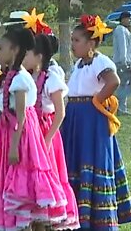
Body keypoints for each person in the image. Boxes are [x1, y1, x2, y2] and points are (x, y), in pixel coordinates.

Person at [0, 28, 67, 230]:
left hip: (21, 136)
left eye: (1, 48)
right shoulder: (11, 76)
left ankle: (29, 223)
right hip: (9, 133)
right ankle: (15, 223)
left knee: (23, 181)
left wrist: (15, 146)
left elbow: (22, 116)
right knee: (8, 180)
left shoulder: (20, 79)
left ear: (14, 50)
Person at [61, 14, 131, 230]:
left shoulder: (100, 61)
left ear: (91, 43)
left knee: (92, 162)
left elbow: (113, 81)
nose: (73, 44)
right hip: (76, 117)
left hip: (91, 120)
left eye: (77, 40)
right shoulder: (79, 64)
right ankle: (77, 215)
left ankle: (99, 220)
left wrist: (97, 100)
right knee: (75, 161)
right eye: (73, 40)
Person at [22, 17, 79, 229]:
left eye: (26, 52)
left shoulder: (51, 77)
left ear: (39, 55)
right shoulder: (26, 77)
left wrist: (46, 139)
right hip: (30, 135)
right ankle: (33, 221)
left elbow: (59, 112)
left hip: (45, 133)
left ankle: (49, 221)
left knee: (48, 177)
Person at [112, 11, 131, 116]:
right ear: (123, 19)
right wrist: (124, 61)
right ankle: (118, 99)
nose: (130, 20)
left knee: (123, 85)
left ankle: (121, 108)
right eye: (128, 18)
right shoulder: (120, 30)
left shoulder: (125, 30)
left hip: (126, 61)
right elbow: (122, 45)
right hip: (123, 62)